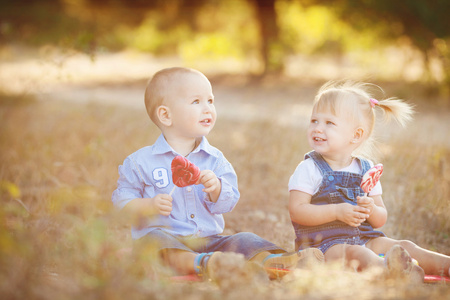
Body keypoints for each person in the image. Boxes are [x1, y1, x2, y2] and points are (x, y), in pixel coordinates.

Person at [112, 67, 323, 282]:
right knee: (152, 241)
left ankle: (274, 262)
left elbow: (227, 203)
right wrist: (148, 206)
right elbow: (121, 201)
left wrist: (217, 190)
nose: (207, 109)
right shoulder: (140, 162)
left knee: (243, 239)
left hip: (210, 240)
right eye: (196, 102)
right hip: (168, 241)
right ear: (166, 115)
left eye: (210, 101)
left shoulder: (215, 159)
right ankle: (206, 264)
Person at [288, 80, 450, 282]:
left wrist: (371, 208)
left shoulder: (366, 169)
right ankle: (392, 274)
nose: (318, 128)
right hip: (324, 247)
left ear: (356, 135)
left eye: (329, 123)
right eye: (314, 120)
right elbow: (297, 210)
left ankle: (446, 265)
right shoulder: (309, 168)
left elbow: (380, 219)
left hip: (365, 238)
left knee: (405, 245)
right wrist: (337, 211)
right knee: (359, 254)